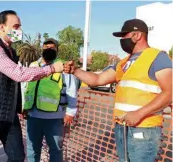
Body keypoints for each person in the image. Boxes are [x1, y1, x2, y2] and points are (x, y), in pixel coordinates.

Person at [64, 19, 172, 162]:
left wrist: (139, 114)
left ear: (137, 35)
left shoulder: (158, 58)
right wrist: (76, 71)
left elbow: (169, 93)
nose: (122, 40)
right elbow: (97, 80)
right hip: (122, 128)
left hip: (145, 130)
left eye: (124, 35)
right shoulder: (124, 63)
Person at [0, 10, 63, 162]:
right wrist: (52, 69)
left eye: (20, 27)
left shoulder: (11, 51)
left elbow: (13, 83)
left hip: (8, 114)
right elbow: (18, 74)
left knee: (17, 156)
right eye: (15, 26)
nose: (19, 31)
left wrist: (20, 106)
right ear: (2, 27)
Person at [23, 38, 78, 162]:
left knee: (55, 149)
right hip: (33, 116)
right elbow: (26, 88)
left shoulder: (64, 67)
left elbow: (71, 91)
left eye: (52, 48)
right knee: (32, 149)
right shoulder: (33, 65)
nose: (48, 50)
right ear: (42, 49)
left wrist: (70, 113)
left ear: (57, 50)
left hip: (55, 118)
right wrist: (25, 107)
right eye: (46, 47)